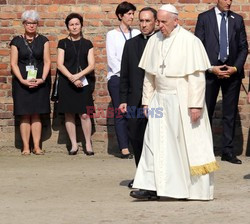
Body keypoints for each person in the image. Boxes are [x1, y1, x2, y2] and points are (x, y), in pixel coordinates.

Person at [130, 4, 219, 201]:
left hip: (182, 99)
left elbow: (197, 77)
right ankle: (150, 187)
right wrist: (146, 102)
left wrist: (195, 105)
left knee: (181, 145)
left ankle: (185, 189)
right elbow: (149, 76)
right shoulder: (154, 40)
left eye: (163, 22)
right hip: (159, 100)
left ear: (175, 20)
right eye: (158, 21)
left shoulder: (190, 42)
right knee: (153, 142)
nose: (159, 25)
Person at [195, 0, 248, 164]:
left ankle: (228, 151)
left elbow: (243, 47)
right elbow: (198, 46)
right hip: (210, 73)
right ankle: (205, 151)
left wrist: (235, 68)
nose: (229, 2)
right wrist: (211, 68)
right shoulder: (204, 18)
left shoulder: (237, 19)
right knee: (206, 112)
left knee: (229, 114)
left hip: (232, 73)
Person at [119, 7, 157, 188]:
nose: (143, 24)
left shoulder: (161, 42)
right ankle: (141, 176)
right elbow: (124, 74)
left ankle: (157, 178)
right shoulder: (131, 44)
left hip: (157, 102)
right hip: (134, 101)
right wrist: (123, 100)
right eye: (141, 21)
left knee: (157, 140)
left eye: (147, 21)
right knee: (136, 137)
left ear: (156, 22)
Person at [10, 10, 51, 155]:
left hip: (40, 81)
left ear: (37, 24)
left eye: (34, 23)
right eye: (28, 23)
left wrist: (42, 79)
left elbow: (47, 62)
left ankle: (37, 147)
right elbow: (14, 63)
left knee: (37, 114)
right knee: (24, 114)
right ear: (24, 24)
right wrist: (22, 80)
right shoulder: (16, 41)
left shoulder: (44, 40)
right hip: (21, 83)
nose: (31, 26)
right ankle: (26, 147)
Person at [57, 13, 95, 156]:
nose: (74, 27)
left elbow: (91, 65)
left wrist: (79, 76)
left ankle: (88, 143)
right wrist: (72, 78)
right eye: (71, 24)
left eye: (77, 24)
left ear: (81, 25)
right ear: (68, 26)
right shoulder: (63, 43)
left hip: (84, 83)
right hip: (67, 83)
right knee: (69, 114)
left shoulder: (88, 43)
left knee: (85, 114)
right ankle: (73, 144)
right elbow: (60, 65)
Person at [106, 1, 140, 159]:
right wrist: (126, 73)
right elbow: (112, 59)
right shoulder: (112, 35)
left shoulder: (137, 33)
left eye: (133, 14)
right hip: (118, 78)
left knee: (135, 112)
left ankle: (136, 145)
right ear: (120, 16)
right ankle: (124, 147)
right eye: (129, 14)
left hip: (135, 79)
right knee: (120, 112)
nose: (131, 16)